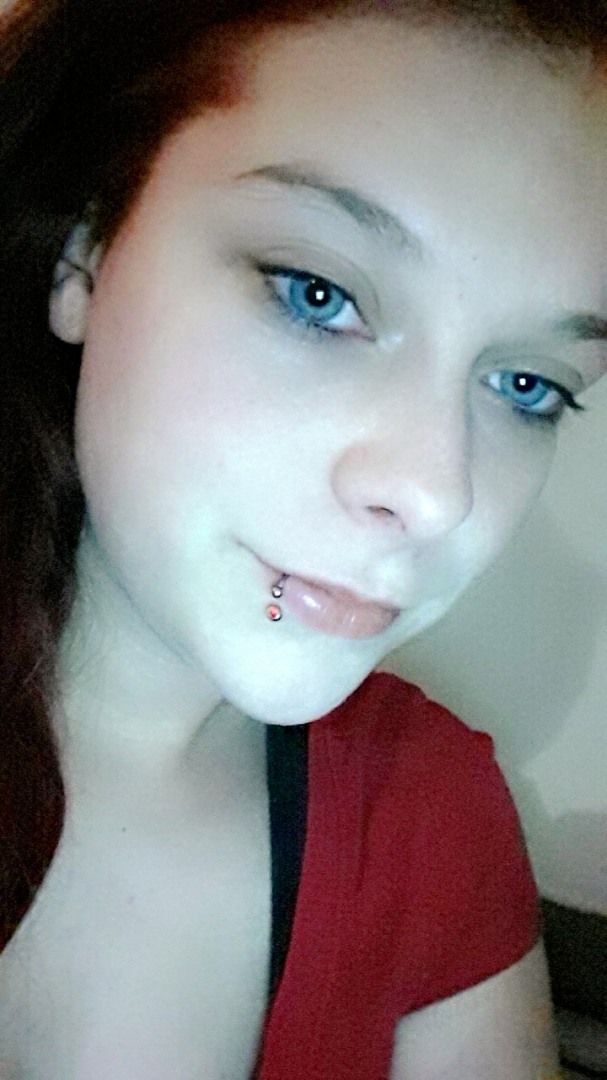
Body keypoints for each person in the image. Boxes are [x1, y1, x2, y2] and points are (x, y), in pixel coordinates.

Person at [0, 0, 605, 1075]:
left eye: (527, 385)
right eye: (316, 295)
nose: (435, 492)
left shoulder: (428, 818)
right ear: (86, 254)